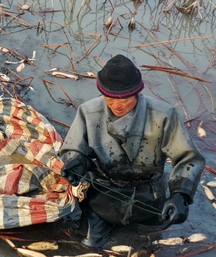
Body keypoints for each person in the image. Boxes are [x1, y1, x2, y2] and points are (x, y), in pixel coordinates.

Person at [59, 55, 206, 247]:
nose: (117, 105)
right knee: (87, 245)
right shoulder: (88, 112)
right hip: (103, 194)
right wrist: (76, 163)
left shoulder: (164, 115)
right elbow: (72, 149)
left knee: (149, 246)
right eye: (110, 99)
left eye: (125, 99)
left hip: (150, 196)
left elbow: (188, 158)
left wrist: (180, 195)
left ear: (137, 93)